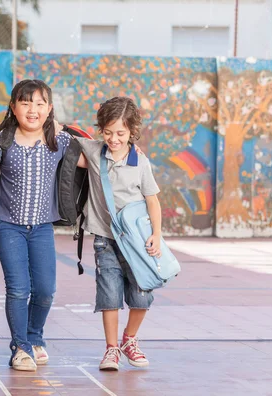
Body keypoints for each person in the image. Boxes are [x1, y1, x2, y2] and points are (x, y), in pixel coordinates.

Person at [0, 79, 75, 372]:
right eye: (26, 102)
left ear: (50, 108)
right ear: (13, 107)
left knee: (45, 290)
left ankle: (34, 337)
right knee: (19, 289)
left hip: (42, 227)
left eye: (40, 103)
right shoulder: (2, 139)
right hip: (8, 225)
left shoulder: (60, 140)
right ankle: (20, 347)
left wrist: (126, 150)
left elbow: (90, 159)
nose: (33, 109)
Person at [75, 96, 162, 371]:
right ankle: (111, 348)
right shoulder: (92, 151)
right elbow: (59, 135)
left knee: (142, 292)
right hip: (105, 239)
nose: (114, 138)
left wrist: (157, 235)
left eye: (121, 133)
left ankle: (129, 340)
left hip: (137, 241)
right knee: (109, 294)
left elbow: (153, 201)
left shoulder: (141, 162)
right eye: (108, 132)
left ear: (132, 132)